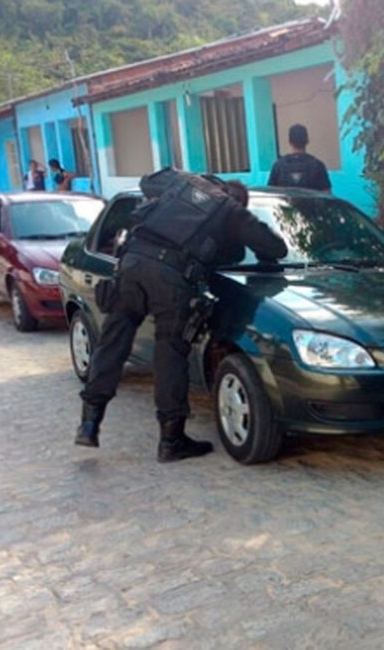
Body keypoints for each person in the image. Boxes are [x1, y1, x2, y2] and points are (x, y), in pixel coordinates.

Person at [75, 174, 288, 463]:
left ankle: (89, 424)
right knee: (170, 354)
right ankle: (171, 440)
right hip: (170, 279)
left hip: (131, 266)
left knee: (112, 343)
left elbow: (147, 182)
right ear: (239, 200)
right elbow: (276, 247)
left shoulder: (185, 185)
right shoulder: (231, 210)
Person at [267, 123, 332, 192]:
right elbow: (327, 195)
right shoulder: (318, 166)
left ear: (289, 142)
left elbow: (271, 195)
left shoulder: (278, 166)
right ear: (307, 141)